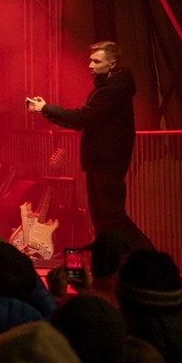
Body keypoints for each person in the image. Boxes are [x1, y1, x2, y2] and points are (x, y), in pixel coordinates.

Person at [26, 41, 153, 249]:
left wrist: (45, 108)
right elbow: (82, 120)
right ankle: (108, 258)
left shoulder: (113, 91)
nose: (90, 65)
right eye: (91, 60)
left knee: (112, 215)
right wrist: (46, 109)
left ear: (112, 64)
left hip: (107, 161)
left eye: (97, 61)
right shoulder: (107, 89)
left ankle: (149, 256)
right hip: (100, 160)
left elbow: (83, 117)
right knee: (102, 218)